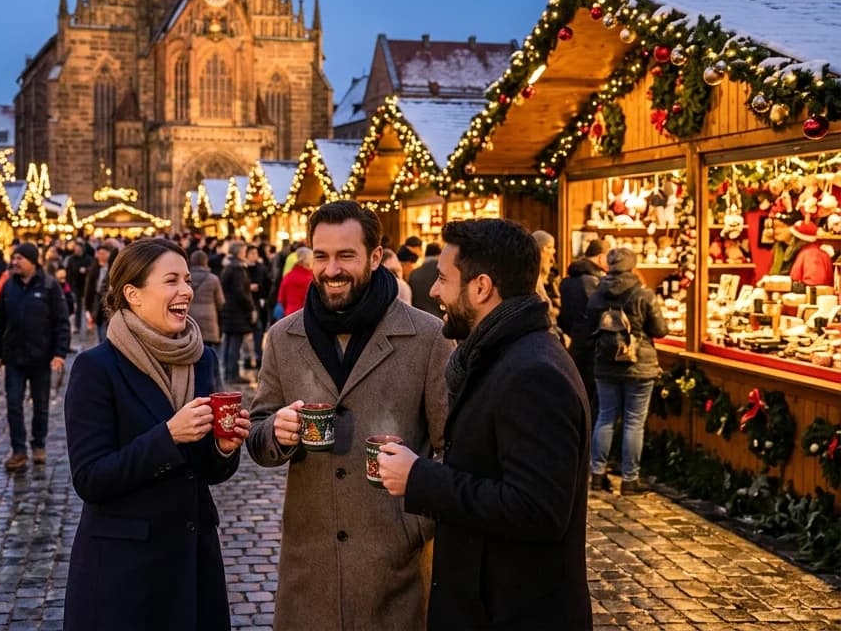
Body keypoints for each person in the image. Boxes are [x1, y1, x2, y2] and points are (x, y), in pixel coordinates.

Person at [376, 218, 592, 630]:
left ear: (481, 288)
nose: (434, 290)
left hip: (515, 612)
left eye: (443, 278)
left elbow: (539, 510)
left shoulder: (533, 372)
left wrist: (421, 478)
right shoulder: (498, 355)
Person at [246, 201, 451, 630]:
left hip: (394, 563)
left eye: (346, 256)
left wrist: (416, 526)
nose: (331, 269)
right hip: (310, 566)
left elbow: (449, 446)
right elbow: (259, 433)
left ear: (375, 257)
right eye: (321, 255)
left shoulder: (426, 335)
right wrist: (276, 433)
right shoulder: (284, 336)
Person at [63, 239, 249, 630]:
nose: (186, 290)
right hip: (125, 570)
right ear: (133, 294)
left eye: (186, 279)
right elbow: (91, 478)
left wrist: (223, 448)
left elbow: (208, 471)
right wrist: (168, 436)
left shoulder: (202, 358)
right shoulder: (96, 368)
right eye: (171, 281)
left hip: (192, 559)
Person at [586, 247, 668, 496]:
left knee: (606, 418)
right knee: (634, 421)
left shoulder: (597, 294)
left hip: (606, 363)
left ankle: (597, 475)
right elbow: (660, 329)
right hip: (638, 364)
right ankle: (630, 479)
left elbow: (590, 327)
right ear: (633, 266)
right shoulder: (643, 294)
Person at [0, 242, 70, 471]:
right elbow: (0, 322)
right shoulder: (9, 286)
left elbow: (61, 322)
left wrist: (59, 353)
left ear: (33, 261)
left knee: (41, 405)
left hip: (41, 356)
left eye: (20, 259)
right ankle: (18, 450)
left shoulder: (49, 286)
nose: (15, 263)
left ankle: (38, 444)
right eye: (13, 258)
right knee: (13, 404)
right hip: (14, 356)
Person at [558, 239, 608, 416]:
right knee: (594, 407)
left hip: (573, 345)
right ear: (601, 257)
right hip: (591, 348)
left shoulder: (567, 280)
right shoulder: (594, 282)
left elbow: (564, 316)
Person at [218, 241, 255, 386]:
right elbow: (240, 292)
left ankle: (228, 372)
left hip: (229, 310)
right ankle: (232, 374)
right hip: (237, 312)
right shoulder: (237, 269)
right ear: (240, 252)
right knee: (234, 343)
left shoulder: (228, 267)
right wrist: (250, 307)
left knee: (229, 342)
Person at [187, 250, 225, 359]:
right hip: (209, 318)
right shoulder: (213, 279)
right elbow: (220, 302)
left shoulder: (186, 279)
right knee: (208, 351)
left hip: (190, 317)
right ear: (206, 261)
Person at [84, 241, 117, 344]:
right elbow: (88, 287)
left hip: (109, 299)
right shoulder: (94, 268)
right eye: (100, 253)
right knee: (99, 324)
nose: (101, 256)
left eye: (104, 253)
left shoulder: (112, 267)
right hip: (96, 300)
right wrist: (87, 306)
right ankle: (102, 344)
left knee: (107, 325)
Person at [788, 220, 832, 287]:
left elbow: (814, 284)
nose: (791, 241)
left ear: (800, 239)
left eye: (794, 238)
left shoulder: (812, 254)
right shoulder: (809, 251)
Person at [407, 242, 443, 318]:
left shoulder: (414, 273)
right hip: (440, 319)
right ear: (439, 255)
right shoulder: (442, 273)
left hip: (419, 319)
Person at [275, 246, 312, 317]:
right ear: (308, 262)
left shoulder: (288, 276)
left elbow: (281, 299)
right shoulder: (311, 279)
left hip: (289, 315)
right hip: (307, 316)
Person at [65, 241, 93, 333]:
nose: (76, 250)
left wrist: (86, 270)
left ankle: (90, 325)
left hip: (86, 286)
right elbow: (68, 273)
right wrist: (68, 285)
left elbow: (93, 270)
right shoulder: (71, 259)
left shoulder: (88, 259)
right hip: (75, 286)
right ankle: (77, 326)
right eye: (75, 249)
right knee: (77, 307)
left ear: (82, 249)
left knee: (87, 307)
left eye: (78, 249)